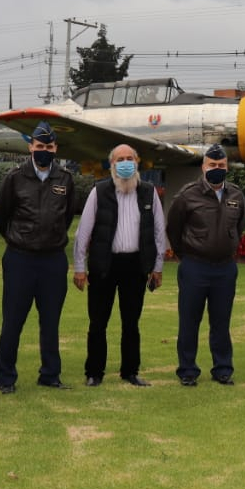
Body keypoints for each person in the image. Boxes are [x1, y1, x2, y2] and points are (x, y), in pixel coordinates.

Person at [0, 121, 76, 393]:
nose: (44, 151)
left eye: (49, 147)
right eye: (40, 146)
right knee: (13, 320)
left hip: (53, 259)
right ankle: (6, 378)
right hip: (20, 259)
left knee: (50, 321)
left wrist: (50, 238)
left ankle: (50, 374)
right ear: (30, 147)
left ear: (56, 148)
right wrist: (19, 240)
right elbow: (0, 216)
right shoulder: (15, 177)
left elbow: (66, 217)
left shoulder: (64, 178)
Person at [72, 143, 166, 387]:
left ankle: (130, 371)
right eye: (120, 159)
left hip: (135, 265)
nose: (125, 163)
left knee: (131, 323)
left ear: (137, 162)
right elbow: (84, 232)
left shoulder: (148, 192)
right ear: (111, 165)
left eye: (130, 158)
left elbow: (158, 231)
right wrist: (80, 267)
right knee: (98, 322)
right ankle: (94, 372)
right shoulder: (99, 191)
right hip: (105, 265)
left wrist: (157, 267)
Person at [167, 144, 245, 386]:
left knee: (221, 322)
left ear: (227, 167)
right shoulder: (187, 195)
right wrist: (187, 256)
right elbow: (174, 229)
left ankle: (222, 369)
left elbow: (239, 228)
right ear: (203, 167)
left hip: (224, 268)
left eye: (221, 165)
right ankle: (188, 370)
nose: (216, 169)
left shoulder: (236, 196)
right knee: (189, 321)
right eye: (212, 165)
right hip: (195, 266)